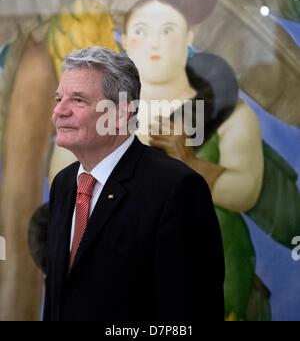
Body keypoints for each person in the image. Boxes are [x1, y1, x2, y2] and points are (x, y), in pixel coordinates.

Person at [43, 46, 225, 322]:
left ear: (120, 113)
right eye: (59, 99)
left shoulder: (177, 190)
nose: (59, 111)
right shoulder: (64, 184)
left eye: (78, 100)